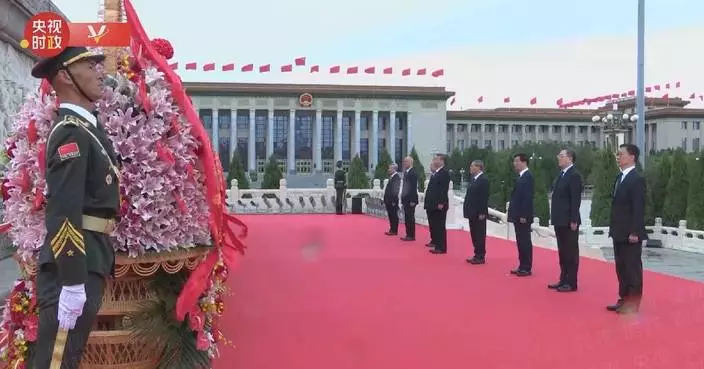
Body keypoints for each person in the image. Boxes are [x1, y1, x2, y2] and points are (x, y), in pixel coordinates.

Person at [29, 47, 121, 369]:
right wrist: (71, 280)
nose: (100, 71)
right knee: (55, 362)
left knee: (66, 358)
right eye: (90, 65)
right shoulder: (71, 133)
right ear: (66, 76)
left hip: (91, 254)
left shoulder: (87, 130)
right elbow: (63, 209)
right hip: (72, 265)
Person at [607, 144, 646, 314]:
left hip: (630, 233)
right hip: (618, 231)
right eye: (618, 154)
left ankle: (633, 303)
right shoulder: (619, 177)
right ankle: (623, 299)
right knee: (621, 268)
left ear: (632, 157)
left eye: (621, 154)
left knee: (632, 269)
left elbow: (638, 208)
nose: (618, 157)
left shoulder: (636, 179)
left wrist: (635, 232)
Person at [549, 148, 583, 292]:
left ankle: (571, 282)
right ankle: (563, 279)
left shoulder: (574, 175)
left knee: (570, 252)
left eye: (561, 156)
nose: (559, 158)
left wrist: (573, 219)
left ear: (569, 158)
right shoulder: (562, 174)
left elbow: (575, 199)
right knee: (562, 252)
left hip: (569, 220)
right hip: (559, 219)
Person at [507, 153, 534, 276]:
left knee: (525, 241)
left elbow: (527, 198)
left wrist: (524, 214)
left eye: (517, 161)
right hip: (517, 214)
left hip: (523, 216)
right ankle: (522, 265)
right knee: (520, 241)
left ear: (524, 162)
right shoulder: (520, 177)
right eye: (514, 161)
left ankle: (526, 267)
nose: (515, 163)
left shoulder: (528, 177)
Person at [463, 160, 489, 264]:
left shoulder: (483, 180)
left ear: (479, 167)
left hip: (479, 213)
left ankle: (480, 256)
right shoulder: (474, 179)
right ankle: (476, 254)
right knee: (474, 234)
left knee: (479, 234)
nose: (470, 168)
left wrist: (482, 212)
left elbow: (484, 197)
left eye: (472, 166)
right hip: (472, 211)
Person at [424, 153, 451, 254]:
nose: (434, 161)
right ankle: (436, 243)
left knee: (439, 226)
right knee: (434, 225)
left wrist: (441, 202)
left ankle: (441, 247)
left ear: (442, 161)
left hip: (439, 205)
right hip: (432, 204)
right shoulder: (436, 173)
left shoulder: (444, 173)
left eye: (436, 159)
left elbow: (443, 190)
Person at [400, 156, 418, 241]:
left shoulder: (413, 173)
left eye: (406, 162)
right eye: (404, 162)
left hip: (411, 200)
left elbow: (413, 188)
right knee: (407, 217)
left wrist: (413, 200)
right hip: (406, 199)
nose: (404, 163)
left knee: (410, 217)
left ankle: (411, 235)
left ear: (410, 163)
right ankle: (408, 234)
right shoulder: (406, 173)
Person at [383, 163, 401, 235]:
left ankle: (394, 230)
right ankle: (391, 229)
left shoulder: (397, 177)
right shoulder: (391, 177)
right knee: (390, 215)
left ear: (394, 169)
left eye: (390, 168)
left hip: (393, 201)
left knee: (394, 215)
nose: (388, 169)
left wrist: (393, 200)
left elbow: (395, 190)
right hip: (388, 200)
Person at [425, 162, 437, 248]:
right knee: (431, 224)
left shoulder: (437, 176)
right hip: (429, 204)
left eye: (431, 166)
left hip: (435, 205)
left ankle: (436, 241)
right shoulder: (432, 176)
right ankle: (433, 240)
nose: (430, 167)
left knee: (436, 224)